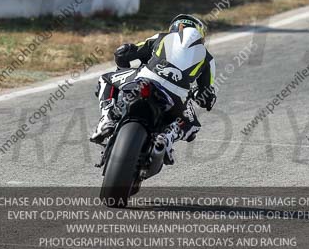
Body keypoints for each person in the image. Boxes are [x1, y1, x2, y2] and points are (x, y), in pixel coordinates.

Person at [90, 14, 217, 165]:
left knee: (105, 79)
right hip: (178, 96)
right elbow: (207, 96)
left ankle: (107, 117)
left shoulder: (161, 37)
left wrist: (122, 61)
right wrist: (199, 96)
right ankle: (169, 135)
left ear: (174, 27)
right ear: (201, 34)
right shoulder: (208, 59)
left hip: (145, 80)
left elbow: (126, 52)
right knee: (193, 125)